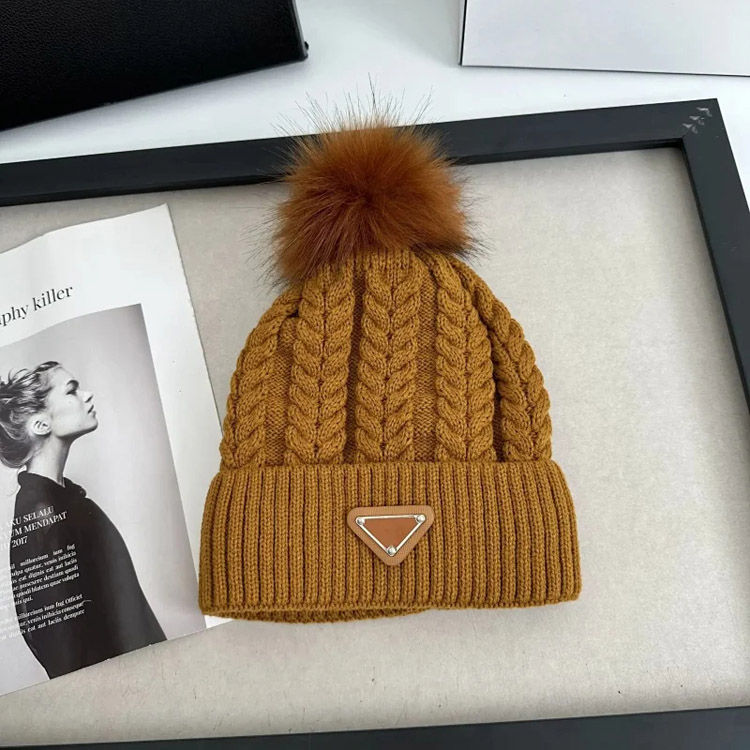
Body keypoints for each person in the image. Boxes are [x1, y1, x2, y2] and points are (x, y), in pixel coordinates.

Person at [0, 361, 165, 678]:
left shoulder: (65, 501)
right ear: (40, 425)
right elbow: (62, 650)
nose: (87, 395)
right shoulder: (41, 512)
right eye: (72, 391)